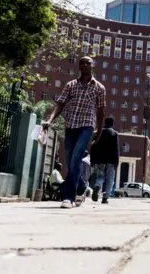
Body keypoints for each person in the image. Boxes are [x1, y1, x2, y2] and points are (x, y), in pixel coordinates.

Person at [43, 56, 106, 209]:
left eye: (88, 63)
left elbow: (101, 112)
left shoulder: (99, 88)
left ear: (93, 66)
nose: (85, 65)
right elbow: (60, 104)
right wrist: (50, 120)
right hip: (70, 125)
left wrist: (99, 131)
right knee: (71, 160)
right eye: (82, 63)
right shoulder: (71, 85)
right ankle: (81, 186)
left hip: (87, 126)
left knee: (77, 155)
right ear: (79, 67)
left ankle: (69, 197)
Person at [91, 117, 120, 204]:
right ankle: (105, 198)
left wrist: (93, 160)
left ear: (105, 122)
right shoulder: (114, 133)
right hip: (111, 161)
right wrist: (116, 162)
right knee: (110, 179)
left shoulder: (99, 132)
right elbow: (116, 149)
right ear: (112, 123)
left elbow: (93, 146)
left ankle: (97, 186)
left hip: (100, 160)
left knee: (100, 176)